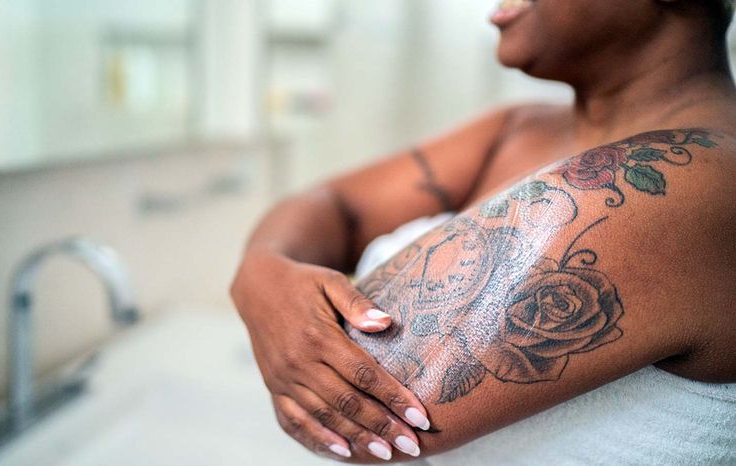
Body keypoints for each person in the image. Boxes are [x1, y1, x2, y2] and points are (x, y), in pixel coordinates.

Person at [230, 0, 736, 463]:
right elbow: (335, 205)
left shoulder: (698, 179)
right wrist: (264, 269)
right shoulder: (518, 129)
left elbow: (353, 389)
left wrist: (271, 288)